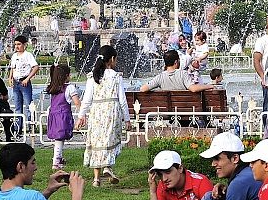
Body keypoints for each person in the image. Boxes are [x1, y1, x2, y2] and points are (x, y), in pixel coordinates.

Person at [76, 47, 130, 187]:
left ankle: (96, 179)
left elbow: (87, 99)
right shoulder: (115, 76)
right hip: (111, 112)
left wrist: (81, 115)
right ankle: (107, 167)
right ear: (112, 59)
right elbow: (122, 100)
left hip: (97, 112)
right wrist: (127, 118)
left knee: (97, 142)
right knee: (109, 140)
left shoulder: (93, 76)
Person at [46, 64, 80, 170]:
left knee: (58, 139)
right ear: (66, 75)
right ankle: (56, 161)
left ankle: (58, 158)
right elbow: (77, 102)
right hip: (63, 116)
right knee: (60, 139)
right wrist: (82, 112)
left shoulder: (54, 88)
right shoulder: (69, 88)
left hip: (54, 116)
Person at [139, 50, 213, 93]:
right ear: (176, 62)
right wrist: (210, 86)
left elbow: (142, 89)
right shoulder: (183, 74)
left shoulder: (160, 77)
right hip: (185, 111)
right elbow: (193, 89)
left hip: (168, 113)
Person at [9, 35, 39, 120]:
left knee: (28, 105)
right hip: (16, 83)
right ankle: (18, 127)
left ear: (24, 45)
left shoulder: (27, 55)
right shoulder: (14, 56)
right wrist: (10, 77)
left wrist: (27, 78)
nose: (17, 46)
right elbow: (12, 68)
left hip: (24, 82)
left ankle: (30, 125)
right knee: (17, 106)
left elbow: (36, 67)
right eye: (15, 44)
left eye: (19, 44)